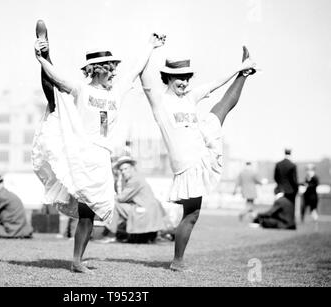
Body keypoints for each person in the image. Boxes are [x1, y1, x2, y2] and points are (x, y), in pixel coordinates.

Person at [31, 20, 165, 273]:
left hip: (102, 159)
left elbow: (136, 69)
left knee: (90, 214)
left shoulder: (115, 93)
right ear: (98, 70)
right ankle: (78, 262)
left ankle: (76, 261)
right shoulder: (81, 89)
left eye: (115, 69)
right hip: (82, 154)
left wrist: (151, 45)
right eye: (111, 69)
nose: (114, 73)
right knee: (86, 212)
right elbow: (54, 81)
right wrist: (42, 58)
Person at [140, 45, 257, 271]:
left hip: (201, 149)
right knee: (191, 215)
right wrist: (149, 46)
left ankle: (244, 75)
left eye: (186, 78)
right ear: (167, 78)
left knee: (220, 110)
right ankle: (177, 262)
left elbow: (215, 83)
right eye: (178, 78)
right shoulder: (160, 101)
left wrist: (239, 68)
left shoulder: (189, 97)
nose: (184, 82)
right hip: (187, 164)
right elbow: (143, 76)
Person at [105, 156, 167, 243]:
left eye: (125, 169)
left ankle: (110, 234)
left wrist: (108, 197)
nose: (123, 172)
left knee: (115, 204)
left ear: (132, 168)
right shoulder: (137, 177)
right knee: (120, 205)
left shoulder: (134, 180)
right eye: (121, 170)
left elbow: (122, 198)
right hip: (149, 209)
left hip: (144, 210)